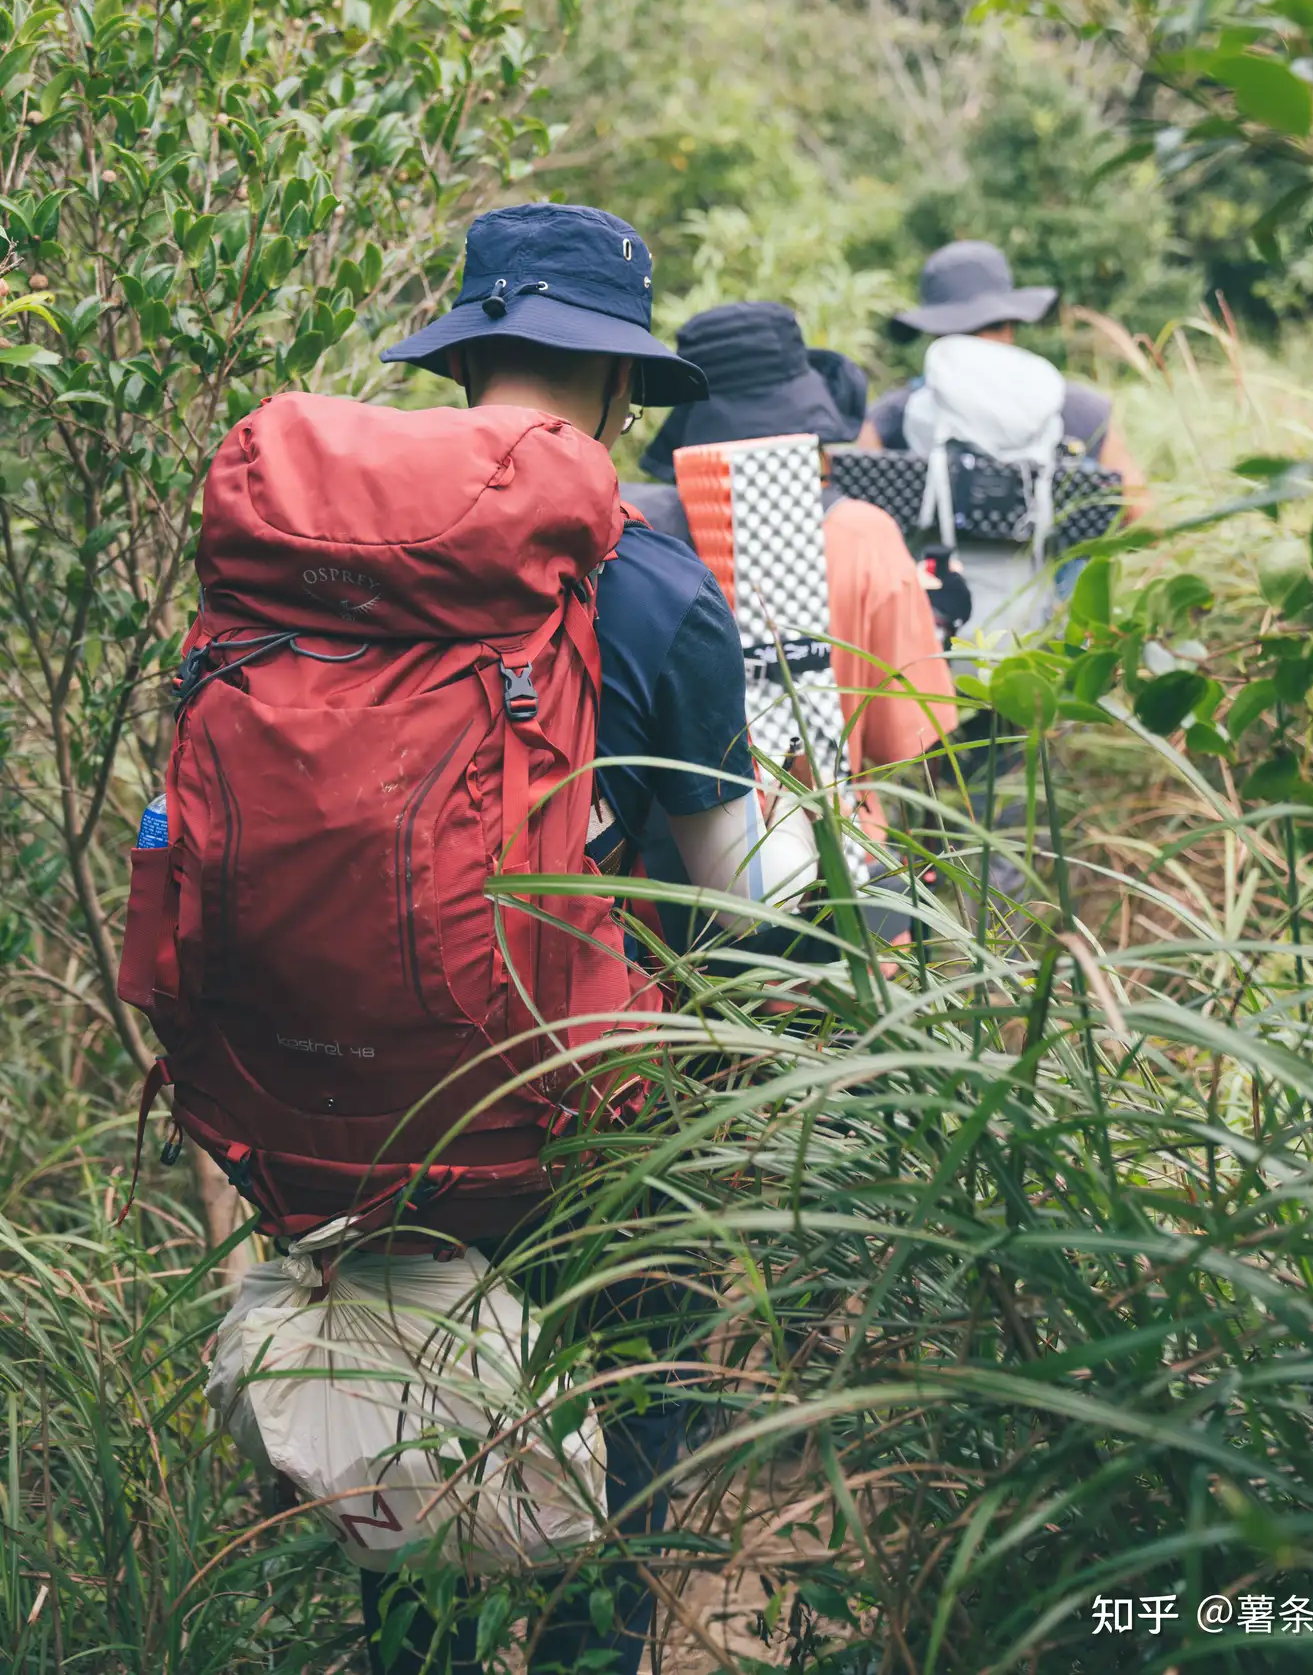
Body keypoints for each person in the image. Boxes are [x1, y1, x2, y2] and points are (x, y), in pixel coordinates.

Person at [373, 209, 821, 1674]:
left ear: (463, 360)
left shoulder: (313, 553)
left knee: (402, 1502)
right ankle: (591, 1638)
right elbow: (738, 905)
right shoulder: (652, 581)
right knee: (623, 1458)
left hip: (346, 1105)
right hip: (585, 1126)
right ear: (620, 388)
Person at [625, 300, 955, 838]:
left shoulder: (642, 536)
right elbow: (908, 744)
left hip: (673, 879)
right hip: (839, 869)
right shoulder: (864, 535)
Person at [858, 240, 1150, 519]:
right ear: (1009, 326)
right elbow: (1145, 520)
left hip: (930, 571)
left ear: (935, 334)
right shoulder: (1083, 412)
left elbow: (859, 519)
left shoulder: (893, 416)